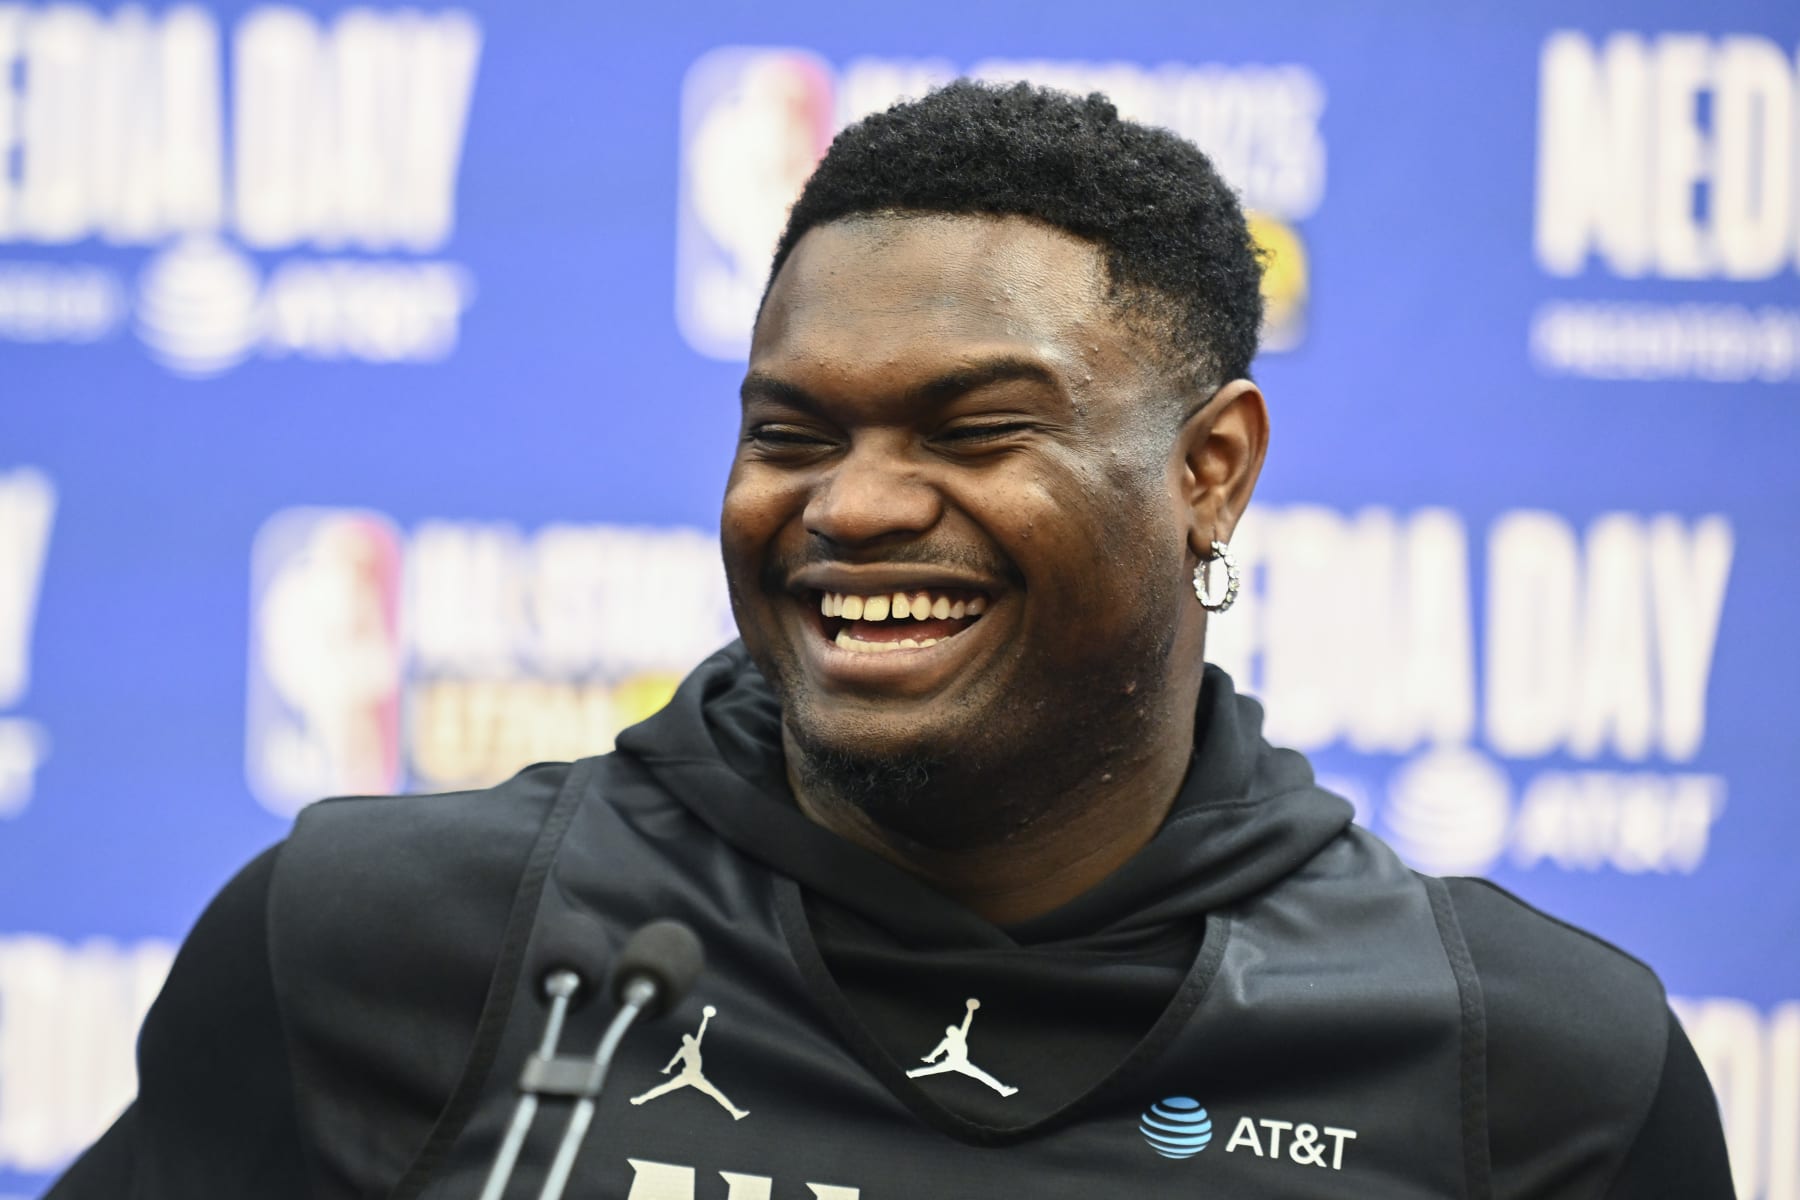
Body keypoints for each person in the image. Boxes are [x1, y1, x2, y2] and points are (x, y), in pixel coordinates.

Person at [49, 80, 1734, 1199]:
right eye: (790, 434)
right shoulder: (387, 944)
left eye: (974, 429)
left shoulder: (1537, 1069)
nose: (851, 507)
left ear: (1209, 472)